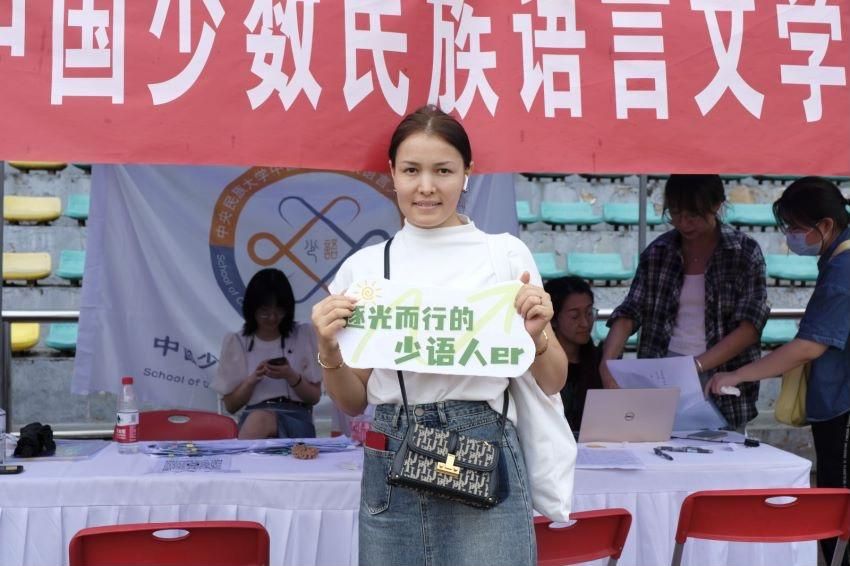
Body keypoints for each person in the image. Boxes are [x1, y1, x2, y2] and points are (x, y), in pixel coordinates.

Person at [311, 104, 567, 566]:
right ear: (392, 173)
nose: (426, 186)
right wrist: (329, 349)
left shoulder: (504, 256)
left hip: (482, 441)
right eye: (411, 170)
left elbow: (553, 380)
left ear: (467, 173)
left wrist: (538, 335)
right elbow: (351, 401)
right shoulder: (366, 268)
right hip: (392, 444)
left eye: (443, 171)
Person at [707, 176, 850, 566]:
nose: (791, 237)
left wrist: (738, 375)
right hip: (835, 400)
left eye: (796, 228)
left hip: (843, 407)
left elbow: (808, 347)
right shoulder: (836, 260)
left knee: (839, 509)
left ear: (825, 225)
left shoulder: (843, 270)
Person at [601, 174, 769, 431]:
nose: (683, 223)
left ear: (716, 205)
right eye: (675, 214)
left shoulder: (743, 252)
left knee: (723, 449)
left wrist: (696, 365)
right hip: (662, 371)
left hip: (722, 372)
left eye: (693, 215)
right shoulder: (659, 251)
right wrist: (608, 361)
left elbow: (749, 327)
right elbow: (630, 311)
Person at [212, 268, 321, 439]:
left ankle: (242, 456)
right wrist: (252, 380)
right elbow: (231, 406)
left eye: (279, 311)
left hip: (296, 418)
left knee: (259, 420)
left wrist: (290, 375)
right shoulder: (238, 342)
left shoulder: (303, 334)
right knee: (259, 418)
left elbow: (314, 397)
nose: (272, 318)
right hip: (253, 417)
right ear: (252, 308)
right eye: (265, 311)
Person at [545, 276, 602, 432]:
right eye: (575, 316)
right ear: (553, 320)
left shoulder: (600, 362)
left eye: (589, 313)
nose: (585, 323)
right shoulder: (541, 366)